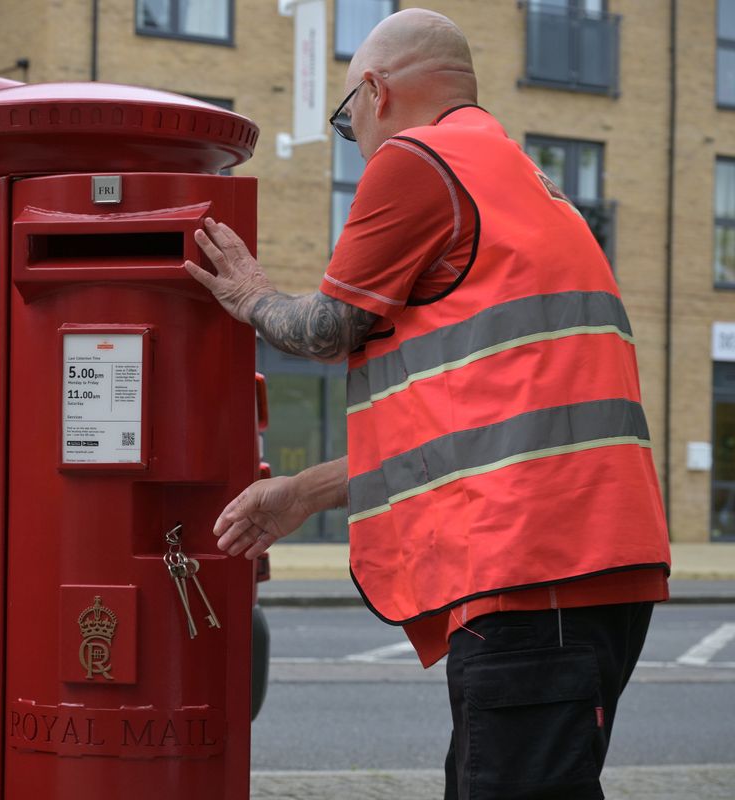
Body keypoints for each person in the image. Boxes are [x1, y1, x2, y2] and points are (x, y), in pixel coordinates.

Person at [183, 8, 672, 800]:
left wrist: (248, 294)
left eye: (348, 124)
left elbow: (329, 328)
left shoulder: (418, 160)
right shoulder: (524, 182)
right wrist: (303, 493)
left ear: (374, 92)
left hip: (529, 567)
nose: (359, 145)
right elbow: (470, 433)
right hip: (588, 565)